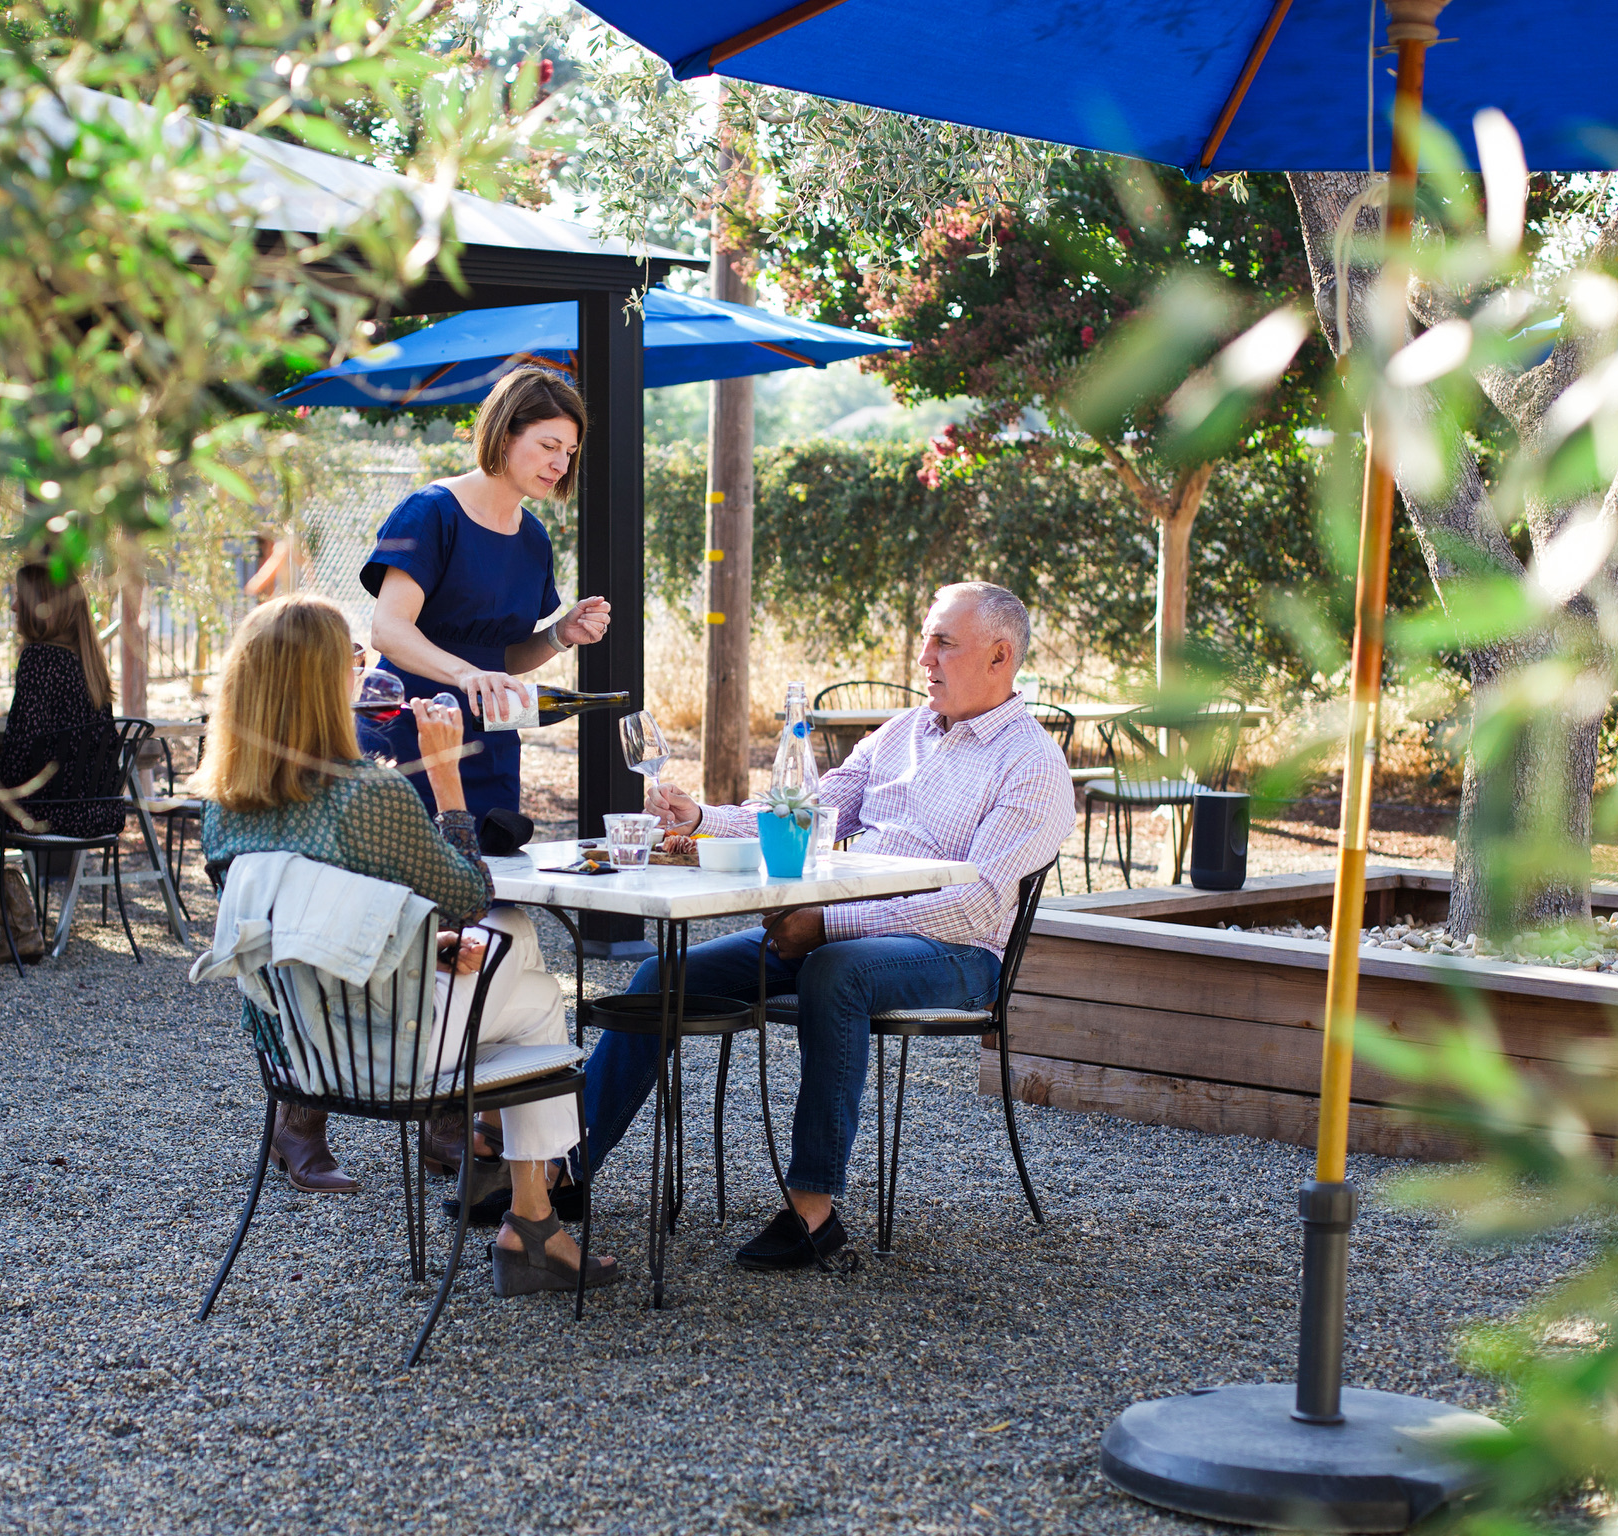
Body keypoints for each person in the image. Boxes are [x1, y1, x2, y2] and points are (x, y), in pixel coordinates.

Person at [583, 581, 1073, 1270]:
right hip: (849, 929)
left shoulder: (1032, 765)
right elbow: (802, 810)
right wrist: (700, 818)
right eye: (926, 638)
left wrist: (829, 924)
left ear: (1000, 657)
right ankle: (566, 1170)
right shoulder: (902, 733)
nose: (923, 657)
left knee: (833, 971)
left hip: (956, 953)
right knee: (665, 973)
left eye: (944, 643)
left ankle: (813, 1210)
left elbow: (977, 905)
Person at [197, 593, 615, 1296]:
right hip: (390, 1053)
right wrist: (446, 778)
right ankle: (530, 1215)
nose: (363, 670)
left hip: (299, 1052)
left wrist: (426, 947)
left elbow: (310, 922)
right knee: (522, 954)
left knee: (513, 973)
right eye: (354, 659)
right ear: (322, 684)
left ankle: (524, 1205)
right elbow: (469, 895)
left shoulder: (222, 809)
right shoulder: (369, 796)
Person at [362, 368, 612, 820]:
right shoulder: (431, 512)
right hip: (411, 737)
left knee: (489, 884)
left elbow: (501, 661)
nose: (561, 465)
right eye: (549, 446)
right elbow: (387, 630)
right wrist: (465, 675)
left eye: (570, 452)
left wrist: (559, 634)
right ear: (503, 436)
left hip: (492, 743)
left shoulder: (534, 537)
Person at [0, 564, 117, 962]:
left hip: (48, 810)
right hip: (94, 807)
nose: (13, 607)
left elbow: (20, 760)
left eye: (19, 598)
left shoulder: (39, 660)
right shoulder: (87, 660)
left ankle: (18, 924)